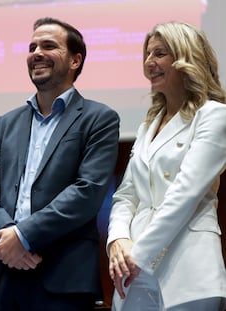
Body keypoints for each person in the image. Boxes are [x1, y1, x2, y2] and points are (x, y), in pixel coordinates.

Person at [0, 17, 120, 311]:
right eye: (32, 46)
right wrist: (9, 239)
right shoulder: (5, 124)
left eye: (49, 45)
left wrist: (24, 237)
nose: (36, 52)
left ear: (75, 60)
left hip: (62, 277)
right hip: (0, 273)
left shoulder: (100, 118)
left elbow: (87, 192)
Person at [107, 21, 226, 311]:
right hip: (134, 269)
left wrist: (137, 257)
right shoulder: (149, 124)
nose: (149, 62)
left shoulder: (214, 115)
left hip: (187, 269)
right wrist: (118, 240)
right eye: (147, 54)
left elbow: (185, 194)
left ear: (186, 58)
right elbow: (126, 195)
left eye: (160, 53)